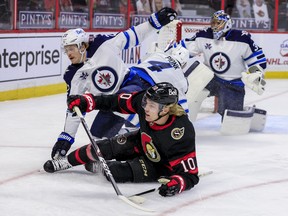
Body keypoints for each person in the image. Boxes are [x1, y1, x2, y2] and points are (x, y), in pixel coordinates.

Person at [51, 7, 178, 160]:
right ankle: (129, 149)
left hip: (134, 86)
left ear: (82, 46)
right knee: (98, 138)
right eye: (66, 50)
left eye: (71, 48)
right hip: (110, 103)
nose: (69, 53)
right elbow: (75, 109)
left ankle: (162, 144)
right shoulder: (72, 75)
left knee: (124, 102)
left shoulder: (102, 44)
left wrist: (155, 22)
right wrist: (65, 138)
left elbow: (132, 35)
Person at [44, 82, 199, 197]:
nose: (145, 107)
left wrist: (176, 184)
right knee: (99, 148)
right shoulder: (144, 102)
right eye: (146, 102)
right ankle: (65, 162)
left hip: (159, 165)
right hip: (141, 143)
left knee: (114, 172)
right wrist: (89, 101)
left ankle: (102, 167)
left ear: (165, 109)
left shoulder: (181, 132)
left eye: (151, 106)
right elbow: (116, 102)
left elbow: (191, 175)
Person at [174, 10, 267, 132]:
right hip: (209, 78)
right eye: (213, 23)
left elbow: (257, 60)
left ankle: (243, 114)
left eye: (218, 23)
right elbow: (184, 48)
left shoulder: (242, 38)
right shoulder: (204, 35)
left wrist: (256, 73)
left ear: (227, 24)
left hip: (233, 83)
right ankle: (183, 122)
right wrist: (175, 55)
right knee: (190, 93)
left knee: (232, 126)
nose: (214, 26)